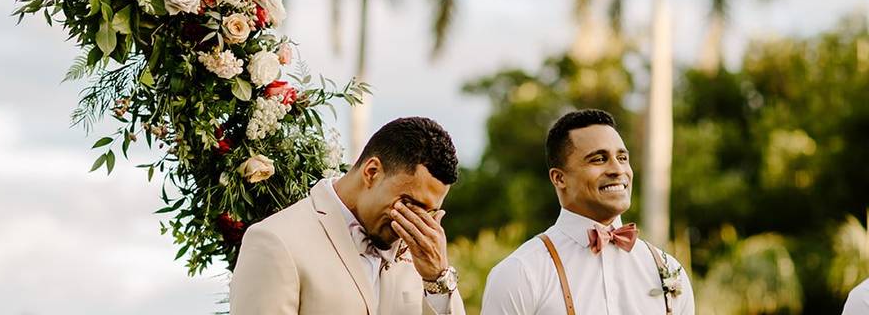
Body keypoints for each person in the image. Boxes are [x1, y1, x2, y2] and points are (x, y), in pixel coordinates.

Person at [230, 116, 465, 314]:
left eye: (428, 211)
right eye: (408, 203)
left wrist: (437, 279)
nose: (415, 222)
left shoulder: (420, 258)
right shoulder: (275, 241)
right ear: (372, 172)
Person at [481, 109, 694, 315]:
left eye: (622, 158)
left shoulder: (666, 267)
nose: (618, 170)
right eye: (599, 159)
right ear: (559, 178)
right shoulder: (520, 272)